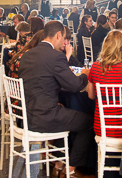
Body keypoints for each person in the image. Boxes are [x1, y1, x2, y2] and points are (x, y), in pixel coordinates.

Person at [18, 21, 93, 176]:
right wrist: (86, 75)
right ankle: (70, 168)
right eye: (63, 38)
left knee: (65, 112)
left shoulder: (27, 55)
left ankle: (58, 163)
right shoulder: (55, 56)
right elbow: (74, 85)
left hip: (27, 116)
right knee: (89, 122)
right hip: (46, 117)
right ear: (58, 35)